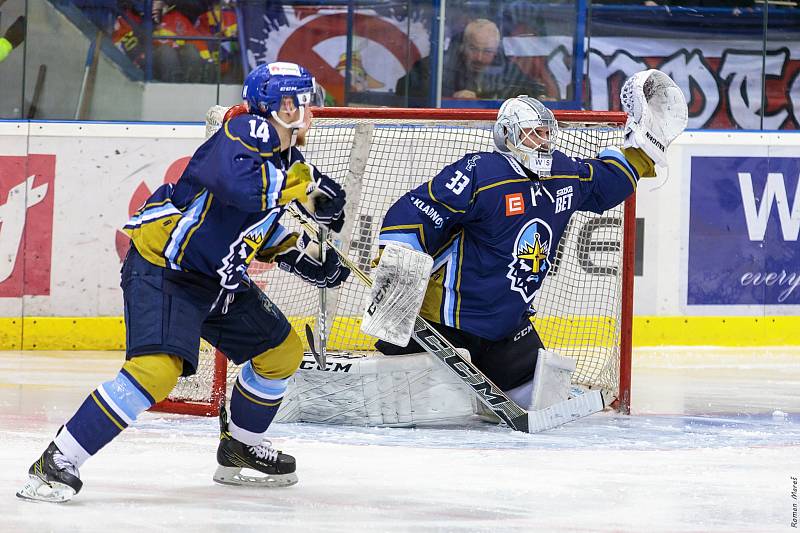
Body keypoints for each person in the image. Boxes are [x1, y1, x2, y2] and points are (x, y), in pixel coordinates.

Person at [17, 61, 350, 503]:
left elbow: (253, 222)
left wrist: (302, 257)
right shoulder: (249, 130)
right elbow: (237, 186)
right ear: (276, 107)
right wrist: (303, 190)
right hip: (165, 270)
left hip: (215, 279)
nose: (309, 110)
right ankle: (59, 459)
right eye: (299, 102)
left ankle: (241, 447)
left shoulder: (289, 160)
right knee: (156, 371)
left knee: (280, 352)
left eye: (308, 101)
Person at [377, 70, 686, 409]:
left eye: (546, 133)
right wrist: (399, 252)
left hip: (506, 326)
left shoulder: (561, 175)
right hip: (447, 321)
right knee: (407, 400)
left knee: (546, 403)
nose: (542, 141)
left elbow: (603, 184)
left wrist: (645, 146)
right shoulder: (481, 172)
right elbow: (420, 210)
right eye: (532, 133)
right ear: (507, 134)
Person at [395, 18, 546, 105]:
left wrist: (540, 97)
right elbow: (404, 89)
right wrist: (450, 97)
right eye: (474, 49)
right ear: (463, 46)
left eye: (487, 51)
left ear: (496, 51)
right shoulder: (435, 65)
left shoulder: (507, 68)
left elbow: (528, 88)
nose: (479, 58)